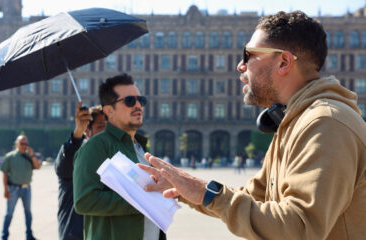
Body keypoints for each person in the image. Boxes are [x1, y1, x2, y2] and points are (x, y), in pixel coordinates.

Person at [138, 11, 366, 240]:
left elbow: (299, 227)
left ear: (284, 62)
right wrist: (187, 189)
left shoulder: (325, 123)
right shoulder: (295, 122)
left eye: (248, 55)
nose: (240, 66)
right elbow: (255, 198)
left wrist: (209, 195)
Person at [73, 73, 166, 240]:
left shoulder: (140, 147)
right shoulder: (96, 147)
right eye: (130, 101)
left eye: (141, 100)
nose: (138, 105)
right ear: (109, 111)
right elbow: (84, 201)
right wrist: (141, 201)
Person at [55, 103, 106, 240]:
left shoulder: (117, 160)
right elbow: (63, 168)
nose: (107, 132)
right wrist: (77, 133)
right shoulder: (78, 156)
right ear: (87, 132)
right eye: (101, 126)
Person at [0, 135, 41, 240]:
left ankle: (29, 235)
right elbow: (4, 173)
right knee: (9, 213)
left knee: (28, 212)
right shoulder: (10, 156)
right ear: (16, 144)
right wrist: (5, 189)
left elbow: (37, 167)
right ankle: (4, 236)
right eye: (22, 143)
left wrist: (32, 155)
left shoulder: (29, 156)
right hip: (14, 188)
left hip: (27, 189)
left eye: (26, 144)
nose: (24, 146)